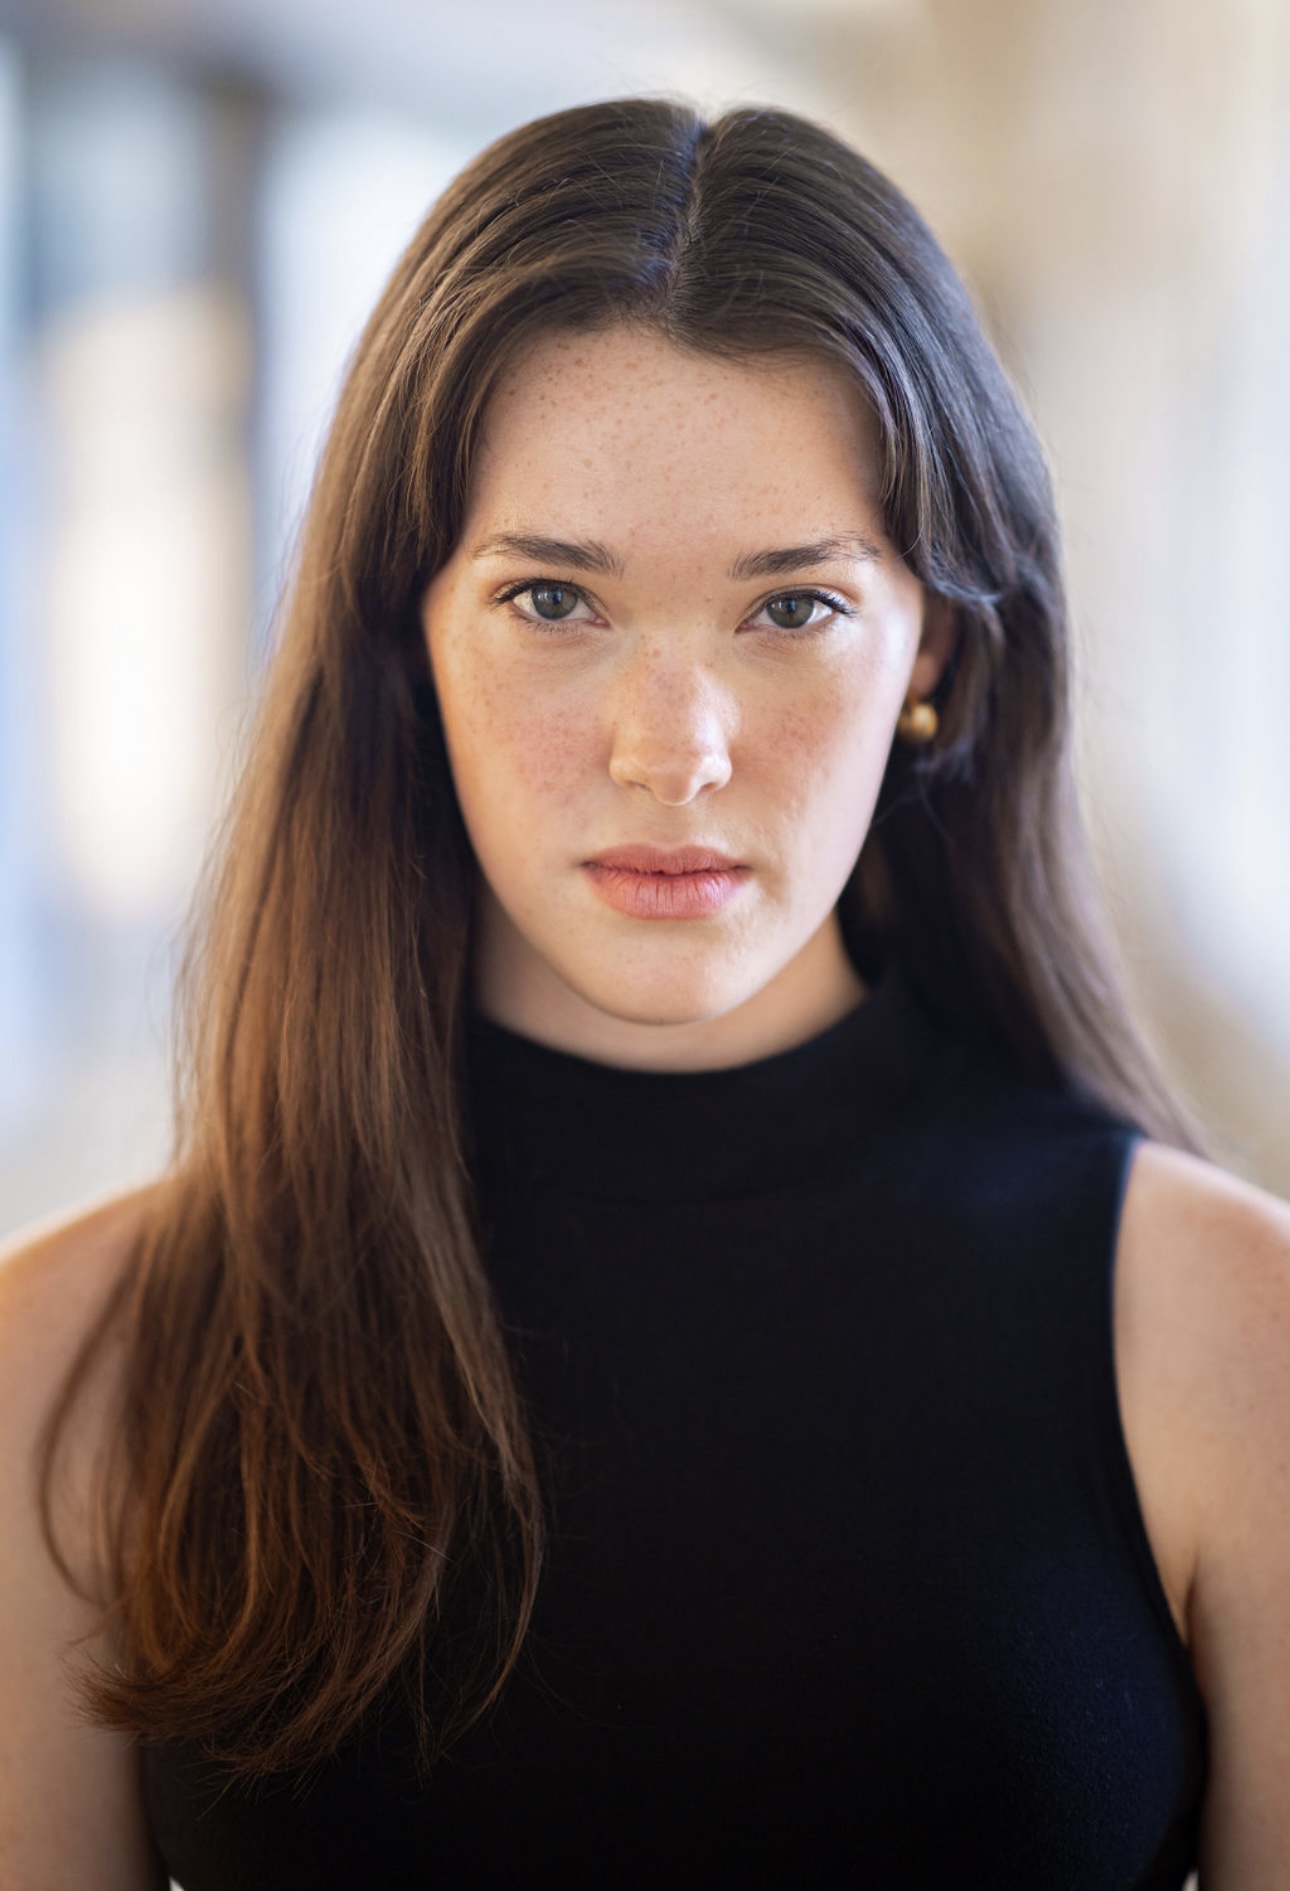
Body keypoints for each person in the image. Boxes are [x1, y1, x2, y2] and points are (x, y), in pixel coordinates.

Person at [1, 95, 1287, 1891]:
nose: (669, 752)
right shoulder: (72, 1368)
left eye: (790, 612)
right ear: (404, 644)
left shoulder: (1229, 1338)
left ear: (934, 652)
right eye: (551, 602)